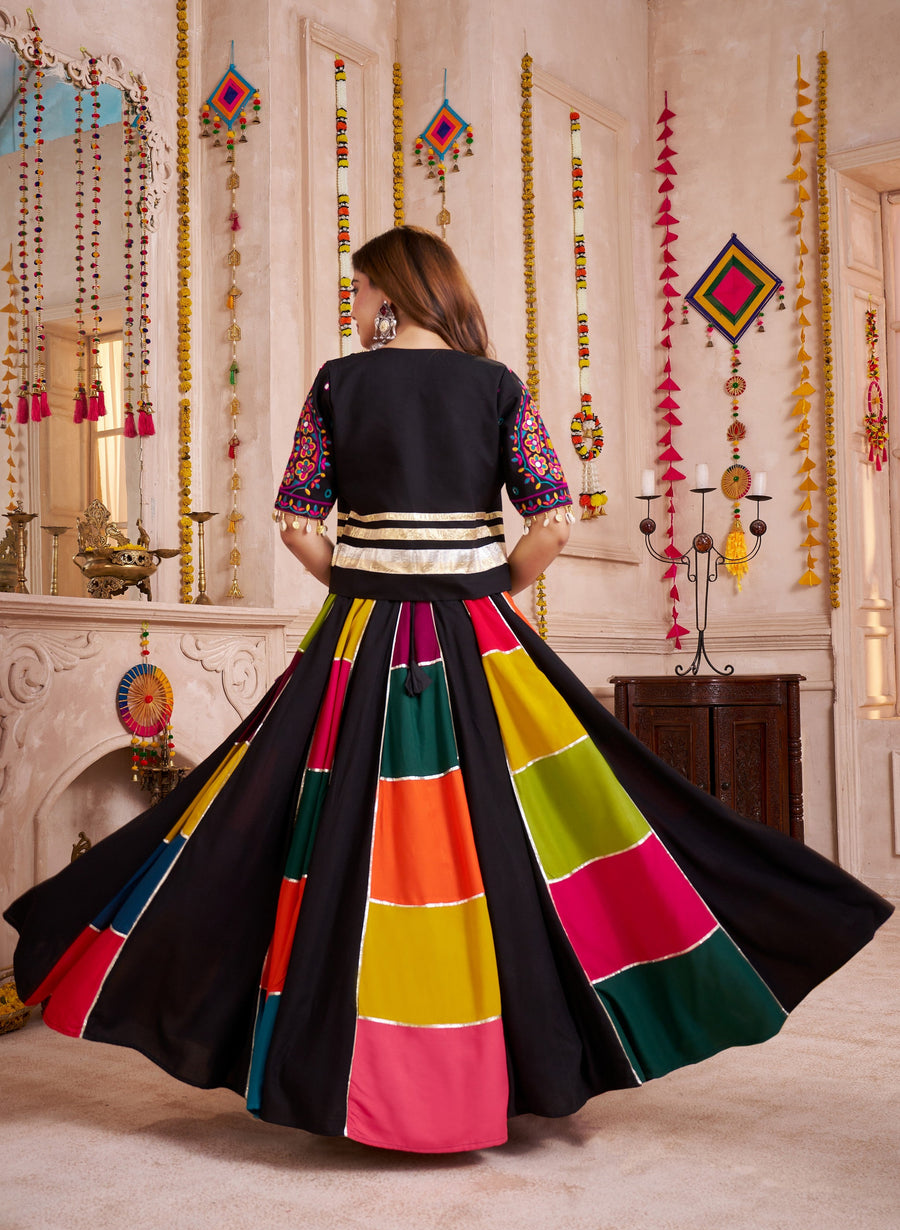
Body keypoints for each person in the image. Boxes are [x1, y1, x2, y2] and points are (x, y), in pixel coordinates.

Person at [5, 226, 892, 1155]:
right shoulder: (497, 385)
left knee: (283, 815)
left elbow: (297, 524)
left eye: (360, 292)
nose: (356, 308)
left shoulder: (339, 384)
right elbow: (553, 521)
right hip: (476, 635)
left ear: (390, 295)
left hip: (361, 637)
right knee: (526, 824)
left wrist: (363, 580)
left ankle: (333, 1062)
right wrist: (486, 586)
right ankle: (515, 1059)